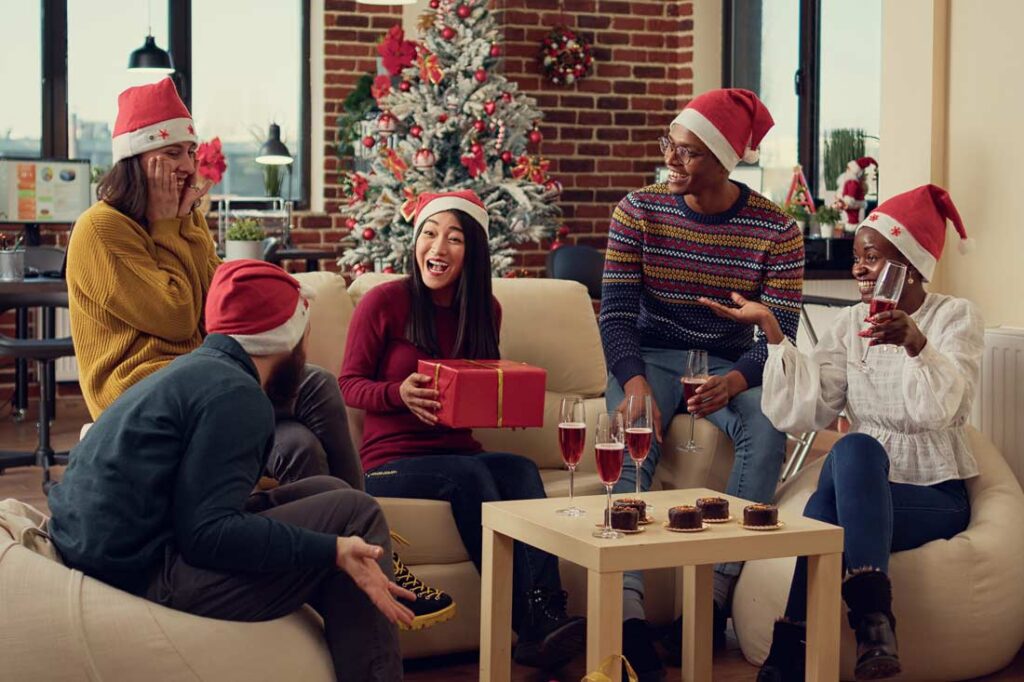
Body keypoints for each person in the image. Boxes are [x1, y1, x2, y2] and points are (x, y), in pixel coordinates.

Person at [65, 77, 453, 630]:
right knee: (300, 434)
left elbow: (216, 298)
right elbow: (181, 314)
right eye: (173, 152)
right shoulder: (99, 230)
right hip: (148, 395)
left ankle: (367, 551)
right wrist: (177, 220)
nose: (187, 166)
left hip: (209, 380)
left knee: (309, 409)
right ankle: (350, 565)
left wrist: (188, 222)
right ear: (140, 158)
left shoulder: (180, 220)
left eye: (189, 151)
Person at [49, 260, 419, 682]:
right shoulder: (237, 396)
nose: (308, 348)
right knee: (357, 515)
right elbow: (207, 535)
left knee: (330, 491)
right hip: (144, 574)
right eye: (305, 334)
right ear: (285, 339)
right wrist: (331, 550)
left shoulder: (198, 371)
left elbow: (199, 509)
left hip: (114, 549)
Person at [702, 185, 982, 681]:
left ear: (911, 265)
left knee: (824, 509)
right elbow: (808, 407)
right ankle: (875, 626)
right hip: (865, 481)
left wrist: (917, 344)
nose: (858, 269)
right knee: (853, 450)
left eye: (871, 258)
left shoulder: (953, 317)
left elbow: (945, 409)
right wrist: (771, 330)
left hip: (933, 492)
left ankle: (789, 645)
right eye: (856, 257)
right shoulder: (852, 322)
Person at [599, 88, 805, 679]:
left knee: (768, 431)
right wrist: (633, 381)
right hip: (651, 354)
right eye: (671, 144)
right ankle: (631, 620)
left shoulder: (776, 230)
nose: (672, 159)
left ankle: (709, 608)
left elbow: (780, 334)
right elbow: (614, 315)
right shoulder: (636, 211)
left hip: (731, 361)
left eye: (687, 151)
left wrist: (739, 378)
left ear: (722, 159)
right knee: (632, 438)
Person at [338, 190, 586, 670]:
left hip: (456, 450)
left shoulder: (485, 310)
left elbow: (477, 384)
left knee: (516, 469)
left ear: (472, 250)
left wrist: (503, 401)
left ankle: (547, 611)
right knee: (470, 479)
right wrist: (398, 394)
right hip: (389, 462)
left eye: (454, 238)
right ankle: (532, 625)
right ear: (415, 243)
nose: (439, 247)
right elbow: (347, 384)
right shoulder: (383, 302)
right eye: (429, 234)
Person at [836, 156, 878, 230]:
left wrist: (845, 203)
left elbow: (850, 196)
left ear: (853, 170)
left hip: (853, 205)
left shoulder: (852, 182)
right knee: (852, 219)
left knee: (854, 219)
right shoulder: (849, 181)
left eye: (848, 168)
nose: (847, 170)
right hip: (851, 205)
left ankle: (852, 230)